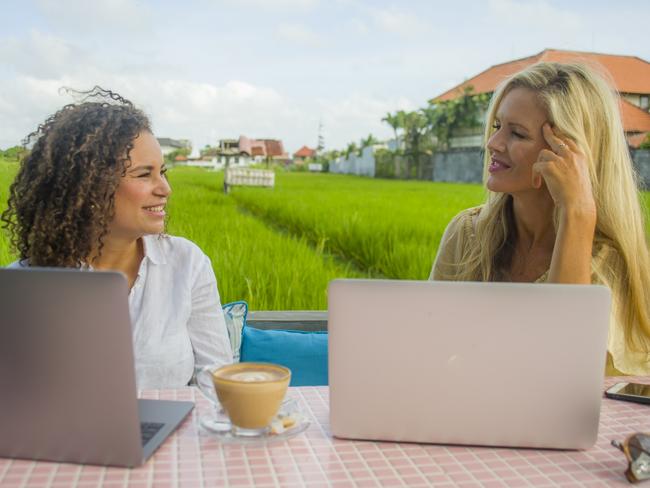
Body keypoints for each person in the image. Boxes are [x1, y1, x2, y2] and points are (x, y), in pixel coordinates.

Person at [1, 88, 233, 388]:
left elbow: (216, 378)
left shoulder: (186, 263)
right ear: (91, 187)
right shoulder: (23, 286)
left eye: (162, 172)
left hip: (176, 433)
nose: (165, 188)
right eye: (143, 174)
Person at [430, 62, 650, 376]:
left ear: (568, 156)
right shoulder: (466, 234)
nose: (494, 144)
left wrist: (577, 211)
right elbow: (431, 347)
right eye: (497, 127)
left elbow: (561, 375)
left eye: (517, 133)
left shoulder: (607, 262)